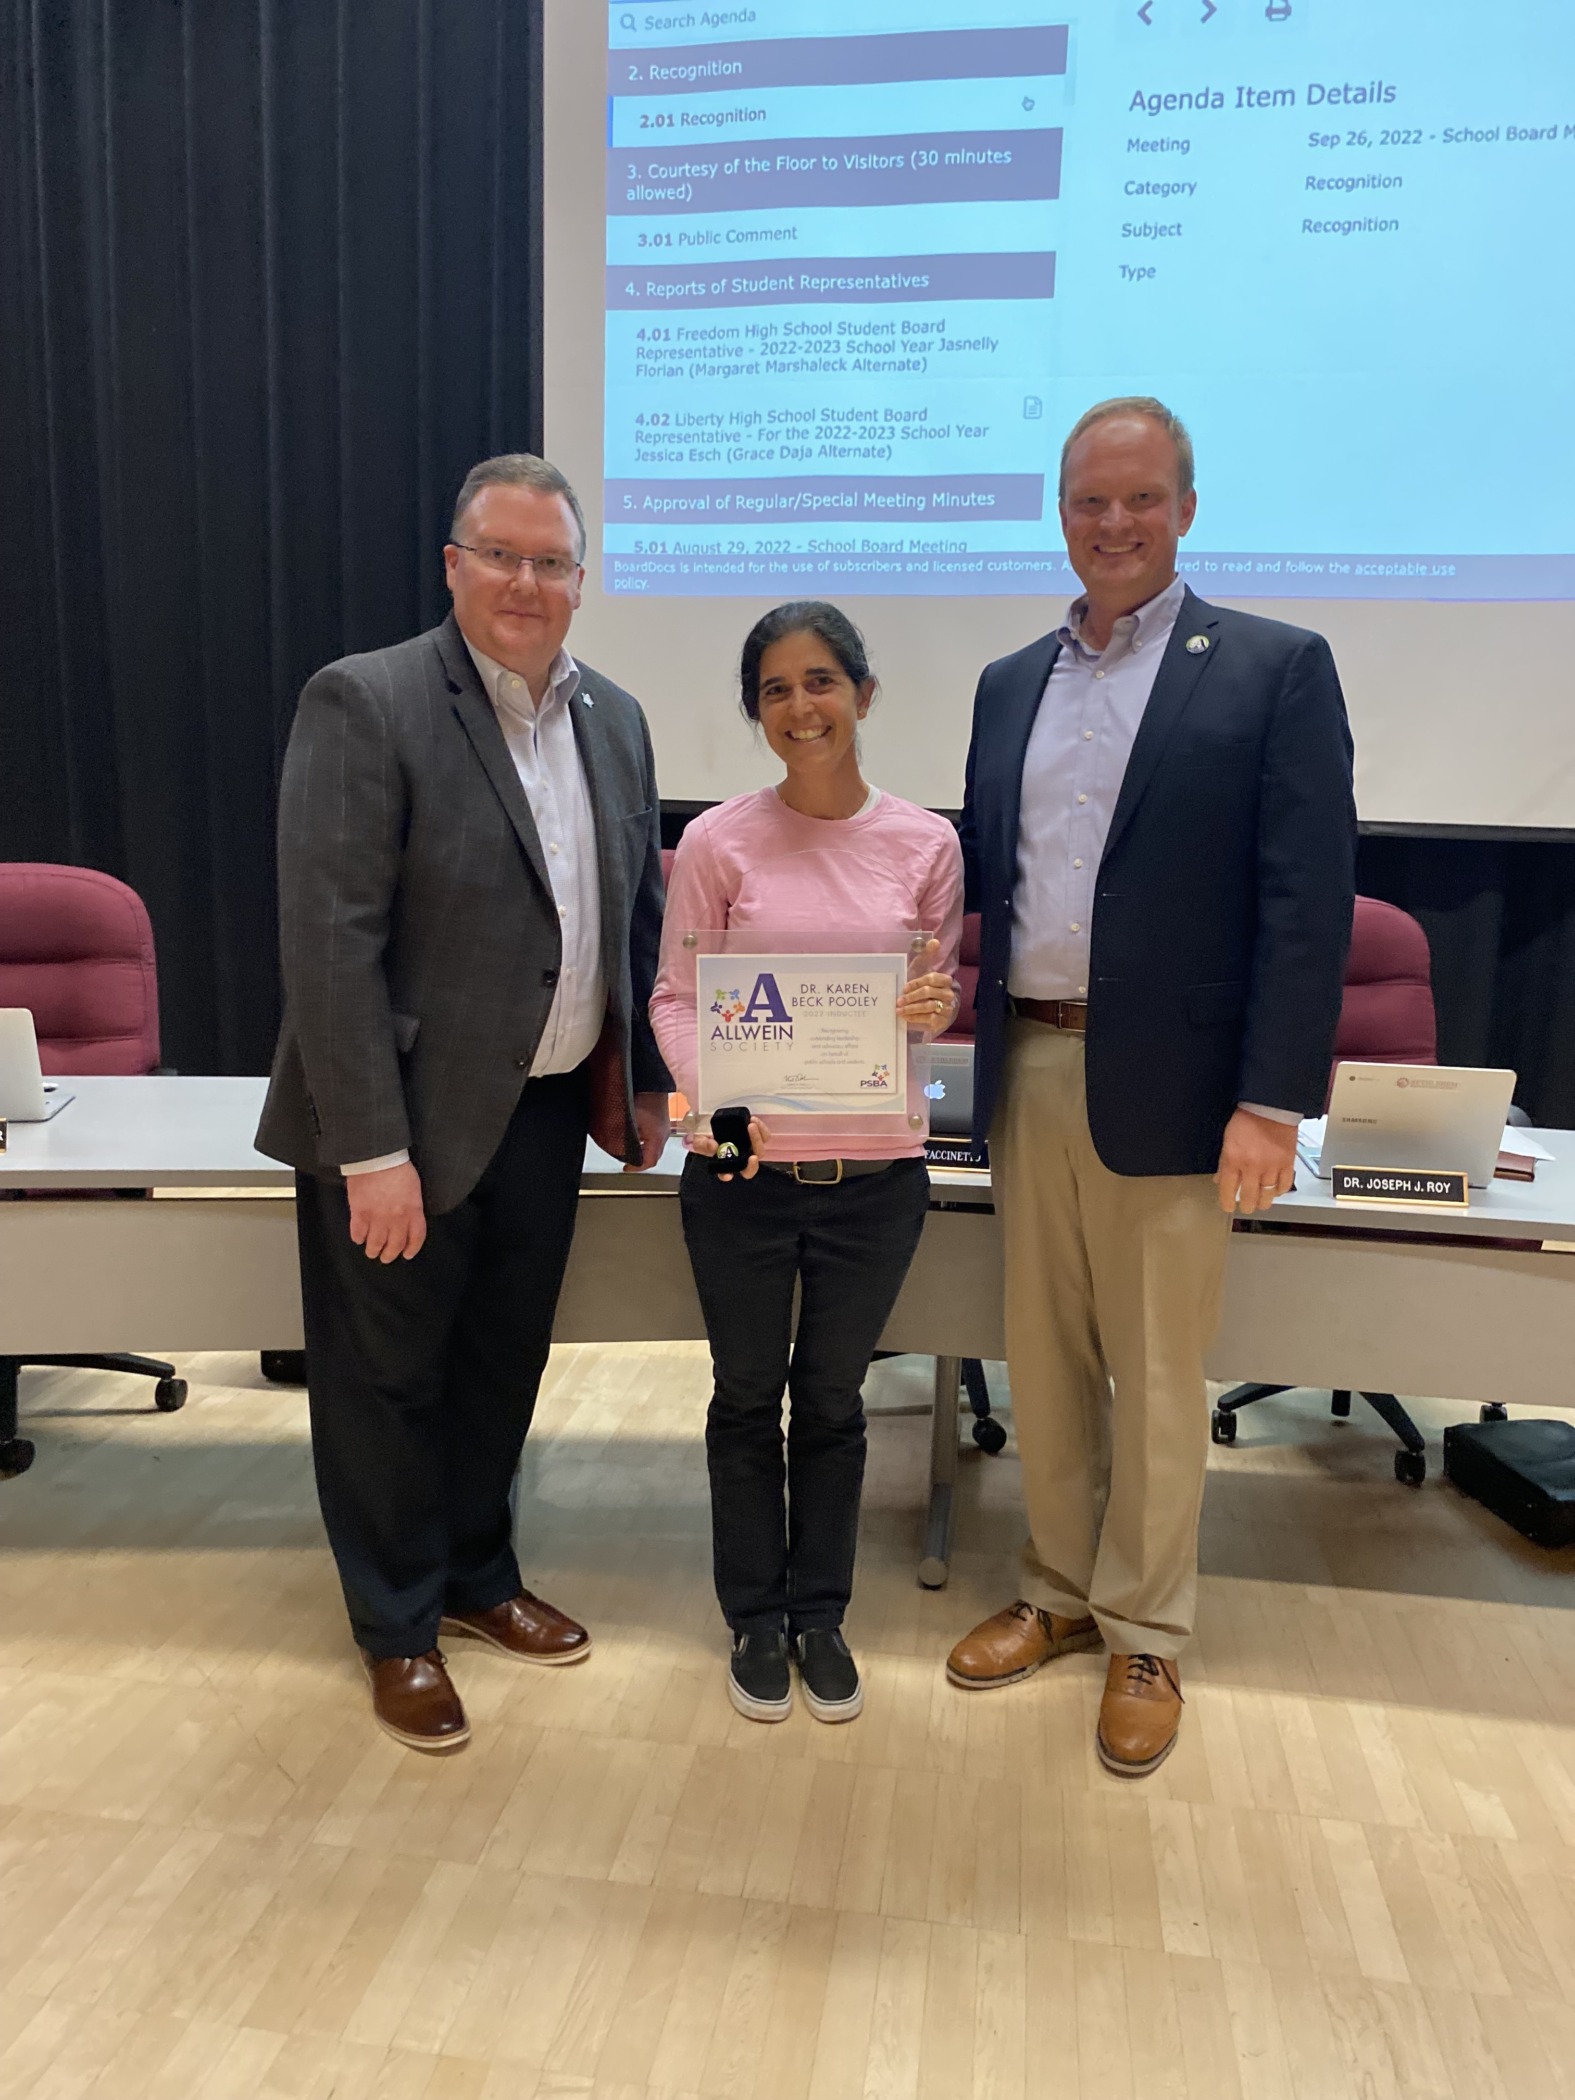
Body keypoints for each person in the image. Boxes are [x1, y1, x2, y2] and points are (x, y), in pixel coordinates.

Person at [945, 399, 1356, 1776]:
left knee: (1159, 1371)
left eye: (1136, 499)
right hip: (1027, 1065)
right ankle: (1054, 1593)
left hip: (1179, 1090)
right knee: (1044, 1358)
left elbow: (1303, 906)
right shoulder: (1010, 682)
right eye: (1085, 502)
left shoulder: (1270, 668)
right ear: (1057, 513)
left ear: (1184, 507)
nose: (1110, 524)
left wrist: (1269, 1098)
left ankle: (1144, 1632)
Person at [257, 453, 670, 1753]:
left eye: (550, 562)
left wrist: (639, 1083)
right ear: (452, 564)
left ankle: (478, 1575)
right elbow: (329, 944)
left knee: (501, 1364)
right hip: (399, 1125)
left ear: (580, 581)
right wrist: (370, 1148)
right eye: (500, 555)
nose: (525, 583)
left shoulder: (614, 718)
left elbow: (629, 924)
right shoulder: (366, 702)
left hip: (541, 1114)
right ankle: (394, 1625)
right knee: (387, 1382)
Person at [650, 603, 963, 1725]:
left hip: (874, 1181)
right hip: (743, 1177)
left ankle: (820, 1613)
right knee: (745, 1398)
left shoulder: (926, 843)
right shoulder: (718, 844)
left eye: (821, 681)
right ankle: (753, 1615)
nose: (801, 706)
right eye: (776, 690)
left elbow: (934, 997)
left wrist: (932, 1004)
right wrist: (715, 1107)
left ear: (864, 696)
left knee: (832, 1401)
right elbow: (676, 999)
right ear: (757, 712)